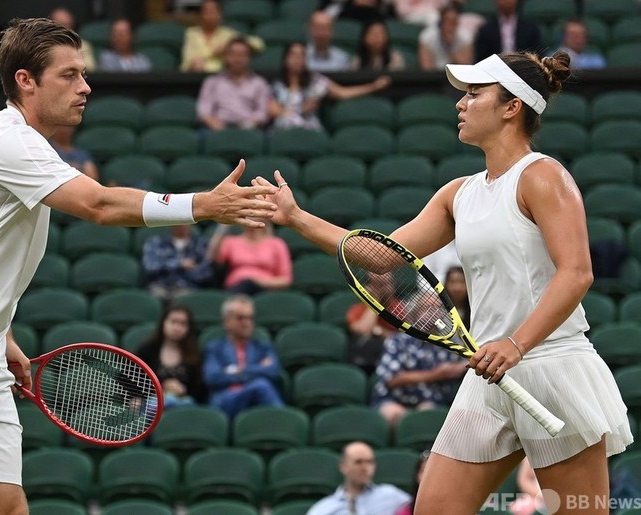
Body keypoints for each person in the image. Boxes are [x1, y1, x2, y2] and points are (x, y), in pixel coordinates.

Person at [0, 17, 278, 515]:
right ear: (25, 81)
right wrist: (201, 205)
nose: (85, 86)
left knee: (5, 507)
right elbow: (100, 205)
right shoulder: (4, 141)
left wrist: (1, 333)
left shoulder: (33, 151)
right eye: (69, 75)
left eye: (83, 73)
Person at [252, 49, 632, 513]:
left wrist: (516, 345)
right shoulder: (458, 193)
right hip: (487, 375)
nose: (460, 103)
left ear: (512, 107)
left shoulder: (543, 176)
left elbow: (577, 272)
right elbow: (378, 257)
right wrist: (296, 217)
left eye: (474, 94)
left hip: (551, 366)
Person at [269, 41, 391, 131]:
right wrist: (300, 110)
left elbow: (343, 93)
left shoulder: (315, 81)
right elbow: (272, 110)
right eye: (293, 55)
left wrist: (373, 86)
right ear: (285, 59)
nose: (297, 59)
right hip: (282, 131)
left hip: (309, 130)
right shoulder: (277, 84)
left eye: (301, 55)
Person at [202, 294, 285, 419]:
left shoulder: (263, 347)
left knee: (261, 386)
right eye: (240, 318)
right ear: (226, 321)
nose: (246, 323)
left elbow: (272, 372)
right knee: (261, 385)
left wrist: (236, 370)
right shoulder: (214, 348)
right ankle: (282, 421)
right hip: (226, 400)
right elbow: (213, 377)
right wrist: (257, 370)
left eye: (250, 318)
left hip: (255, 400)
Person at [372, 331, 467, 429]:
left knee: (427, 416)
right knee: (393, 413)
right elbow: (390, 379)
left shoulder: (450, 341)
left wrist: (460, 367)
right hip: (394, 399)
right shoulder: (398, 340)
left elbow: (468, 360)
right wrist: (434, 375)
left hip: (431, 401)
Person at [307, 441, 412, 515]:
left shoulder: (391, 495)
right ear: (343, 466)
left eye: (369, 462)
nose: (365, 468)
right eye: (358, 462)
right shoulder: (324, 508)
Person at [136, 305, 207, 408]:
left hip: (184, 403)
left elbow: (200, 388)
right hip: (152, 402)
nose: (177, 328)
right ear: (163, 323)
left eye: (183, 324)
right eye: (173, 322)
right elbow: (129, 378)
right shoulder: (147, 351)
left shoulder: (195, 354)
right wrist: (162, 388)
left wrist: (183, 390)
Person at [196, 37, 271, 131]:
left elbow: (262, 112)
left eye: (242, 55)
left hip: (249, 128)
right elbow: (203, 111)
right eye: (233, 54)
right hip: (217, 127)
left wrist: (248, 125)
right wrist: (214, 124)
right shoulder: (212, 82)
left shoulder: (259, 83)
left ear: (249, 58)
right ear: (226, 57)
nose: (238, 58)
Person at [207, 222, 292, 295]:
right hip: (236, 288)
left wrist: (258, 281)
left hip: (265, 290)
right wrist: (223, 227)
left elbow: (285, 280)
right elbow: (212, 258)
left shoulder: (276, 244)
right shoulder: (232, 242)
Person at [180, 0, 264, 73]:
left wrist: (227, 47)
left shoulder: (227, 34)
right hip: (194, 76)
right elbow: (186, 62)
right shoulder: (192, 33)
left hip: (220, 77)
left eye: (213, 12)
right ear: (200, 15)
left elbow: (258, 44)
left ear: (220, 15)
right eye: (206, 12)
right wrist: (194, 64)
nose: (210, 16)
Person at [142, 224, 214, 303]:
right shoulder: (156, 242)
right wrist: (178, 264)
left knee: (185, 300)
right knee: (152, 299)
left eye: (185, 221)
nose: (181, 225)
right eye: (178, 221)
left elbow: (205, 273)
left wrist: (190, 271)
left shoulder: (200, 244)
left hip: (187, 288)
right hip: (160, 286)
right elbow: (150, 267)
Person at [473, 0, 541, 62]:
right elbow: (481, 59)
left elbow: (536, 56)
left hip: (524, 68)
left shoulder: (531, 28)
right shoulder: (486, 29)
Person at [418, 4, 473, 70]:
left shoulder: (465, 36)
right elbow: (426, 67)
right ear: (441, 22)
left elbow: (466, 65)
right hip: (435, 73)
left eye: (454, 21)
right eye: (448, 20)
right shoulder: (427, 36)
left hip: (457, 73)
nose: (450, 25)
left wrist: (450, 46)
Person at [49, 6, 96, 72]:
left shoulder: (83, 45)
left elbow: (90, 68)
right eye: (60, 24)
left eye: (67, 24)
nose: (64, 28)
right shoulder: (43, 45)